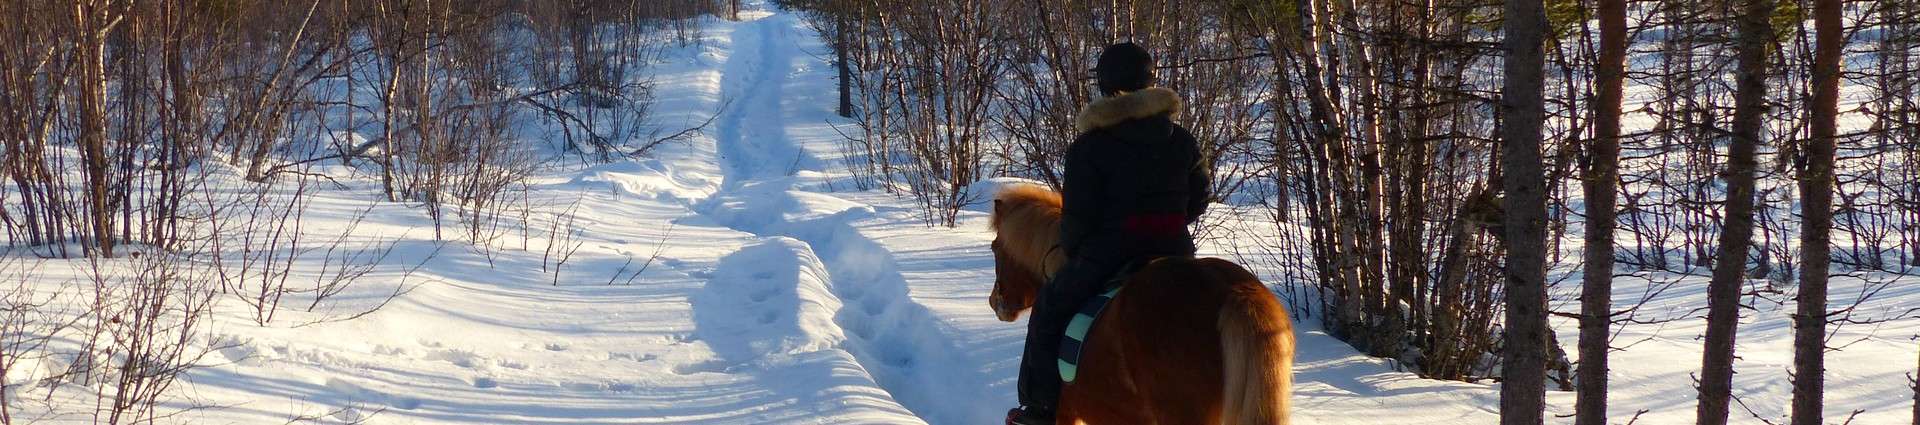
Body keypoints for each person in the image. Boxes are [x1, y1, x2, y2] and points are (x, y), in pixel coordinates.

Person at [1006, 42, 1212, 425]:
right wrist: (1168, 222)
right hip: (1176, 251)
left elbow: (1078, 219)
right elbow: (1200, 197)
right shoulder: (1182, 139)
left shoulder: (1090, 146)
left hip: (1110, 253)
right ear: (1148, 83)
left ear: (1105, 85)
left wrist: (1075, 250)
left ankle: (1038, 411)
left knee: (1049, 307)